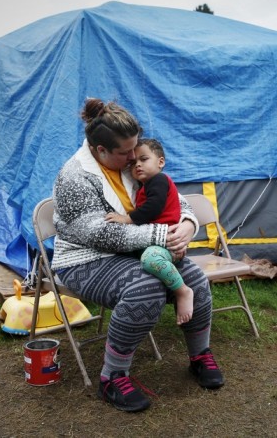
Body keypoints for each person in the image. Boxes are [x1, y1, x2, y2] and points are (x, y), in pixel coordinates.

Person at [52, 98, 224, 412]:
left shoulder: (132, 165)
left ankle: (200, 356)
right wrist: (165, 235)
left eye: (136, 149)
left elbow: (172, 198)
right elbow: (100, 234)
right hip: (84, 258)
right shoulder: (74, 177)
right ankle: (111, 377)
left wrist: (187, 224)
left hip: (138, 250)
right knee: (145, 288)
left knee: (195, 278)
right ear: (100, 150)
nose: (134, 157)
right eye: (125, 152)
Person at [105, 138, 194, 325]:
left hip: (165, 241)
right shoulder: (144, 187)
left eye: (143, 159)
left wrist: (127, 219)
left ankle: (183, 291)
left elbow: (153, 208)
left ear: (160, 162)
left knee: (150, 259)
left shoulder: (159, 180)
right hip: (153, 241)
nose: (137, 165)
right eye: (133, 162)